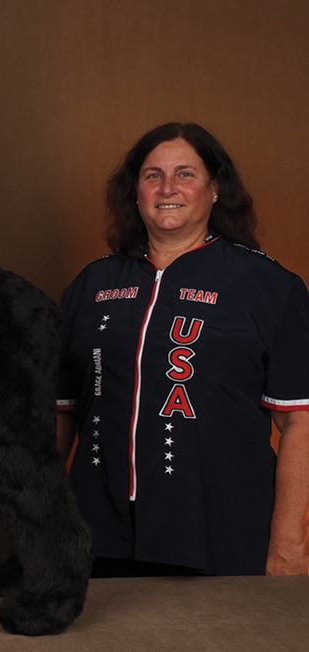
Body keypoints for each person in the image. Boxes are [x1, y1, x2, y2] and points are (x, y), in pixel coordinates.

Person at [56, 122, 309, 577]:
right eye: (152, 175)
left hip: (221, 531)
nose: (167, 187)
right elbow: (60, 413)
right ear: (134, 192)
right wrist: (40, 526)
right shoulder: (91, 285)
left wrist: (289, 546)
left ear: (215, 189)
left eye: (185, 174)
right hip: (98, 533)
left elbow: (299, 422)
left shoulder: (269, 287)